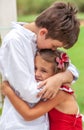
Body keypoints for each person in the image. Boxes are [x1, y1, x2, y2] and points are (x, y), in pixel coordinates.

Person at [0, 1, 80, 130]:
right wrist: (59, 83)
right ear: (43, 32)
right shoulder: (15, 42)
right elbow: (30, 93)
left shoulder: (40, 42)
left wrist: (58, 79)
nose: (55, 50)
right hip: (20, 125)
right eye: (54, 46)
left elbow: (71, 70)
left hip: (41, 124)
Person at [2, 49, 83, 130]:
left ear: (56, 74)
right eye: (35, 68)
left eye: (43, 71)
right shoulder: (52, 89)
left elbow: (29, 114)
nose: (36, 74)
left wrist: (8, 91)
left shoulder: (60, 93)